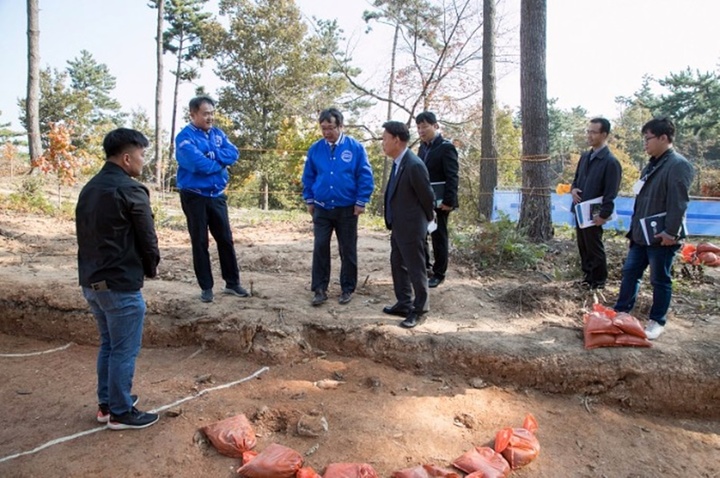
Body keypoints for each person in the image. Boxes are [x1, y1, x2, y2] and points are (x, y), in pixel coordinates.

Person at [76, 128, 160, 430]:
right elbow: (147, 238)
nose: (142, 161)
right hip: (120, 284)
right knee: (123, 349)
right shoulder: (131, 190)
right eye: (141, 155)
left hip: (92, 282)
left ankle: (107, 404)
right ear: (126, 158)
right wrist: (151, 267)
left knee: (109, 345)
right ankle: (121, 413)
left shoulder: (89, 188)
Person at [613, 117, 694, 340]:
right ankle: (621, 312)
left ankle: (657, 320)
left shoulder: (678, 165)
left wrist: (671, 232)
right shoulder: (652, 164)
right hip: (641, 234)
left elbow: (679, 202)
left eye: (648, 139)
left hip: (662, 237)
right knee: (630, 273)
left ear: (663, 138)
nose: (645, 144)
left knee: (660, 279)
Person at [176, 95, 249, 303]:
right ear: (193, 114)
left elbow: (233, 153)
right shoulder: (184, 138)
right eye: (205, 113)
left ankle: (232, 283)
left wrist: (213, 154)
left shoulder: (217, 134)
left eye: (212, 113)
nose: (210, 117)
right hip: (194, 196)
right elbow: (200, 165)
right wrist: (219, 162)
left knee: (225, 239)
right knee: (200, 242)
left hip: (217, 195)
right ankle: (206, 287)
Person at [302, 108, 374, 306]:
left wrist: (361, 201)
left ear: (340, 126)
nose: (327, 132)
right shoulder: (315, 149)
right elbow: (308, 176)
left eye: (331, 128)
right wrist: (309, 199)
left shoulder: (355, 148)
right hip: (322, 208)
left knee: (348, 249)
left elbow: (365, 176)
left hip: (347, 209)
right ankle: (319, 289)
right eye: (323, 128)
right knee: (320, 247)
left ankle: (347, 288)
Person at [381, 121, 436, 328]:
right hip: (398, 225)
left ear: (396, 139)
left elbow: (427, 196)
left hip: (412, 227)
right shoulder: (398, 163)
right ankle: (404, 303)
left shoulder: (413, 164)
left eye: (385, 139)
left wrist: (425, 221)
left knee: (415, 268)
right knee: (398, 264)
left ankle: (420, 309)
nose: (383, 143)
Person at [570, 117, 622, 290]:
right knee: (582, 244)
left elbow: (611, 192)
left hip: (595, 210)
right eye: (588, 131)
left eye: (594, 132)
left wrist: (604, 214)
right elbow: (576, 180)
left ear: (604, 135)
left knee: (594, 245)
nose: (589, 135)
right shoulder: (585, 156)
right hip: (580, 208)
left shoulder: (610, 162)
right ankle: (587, 277)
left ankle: (598, 281)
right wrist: (574, 189)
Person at [415, 111, 459, 288]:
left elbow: (452, 176)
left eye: (424, 126)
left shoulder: (446, 147)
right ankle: (426, 267)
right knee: (421, 234)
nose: (421, 130)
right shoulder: (422, 148)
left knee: (438, 235)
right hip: (423, 200)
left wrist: (449, 201)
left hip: (441, 202)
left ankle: (439, 273)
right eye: (418, 127)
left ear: (435, 126)